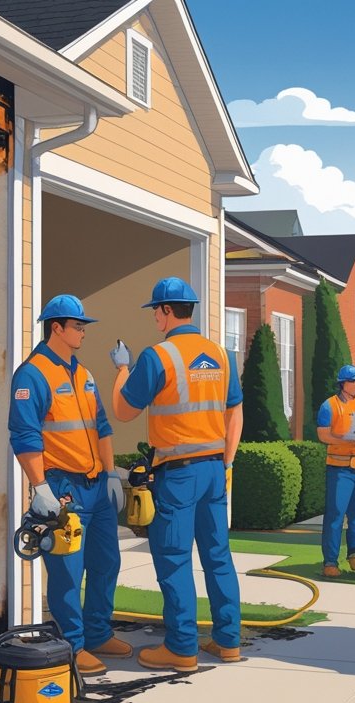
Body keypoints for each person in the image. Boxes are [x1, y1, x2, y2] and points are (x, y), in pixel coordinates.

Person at [110, 277, 244, 672]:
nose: (155, 316)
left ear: (168, 311)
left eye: (156, 309)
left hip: (178, 474)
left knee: (173, 558)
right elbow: (234, 411)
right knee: (218, 556)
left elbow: (123, 410)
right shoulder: (221, 354)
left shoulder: (158, 357)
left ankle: (182, 648)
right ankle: (227, 641)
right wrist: (228, 462)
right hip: (215, 470)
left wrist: (121, 368)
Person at [8, 294, 127, 676]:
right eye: (77, 326)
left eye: (83, 326)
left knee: (107, 562)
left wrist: (110, 473)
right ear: (55, 327)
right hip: (63, 489)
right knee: (66, 572)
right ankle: (73, 645)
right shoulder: (32, 375)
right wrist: (40, 488)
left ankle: (97, 632)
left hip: (95, 487)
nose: (82, 332)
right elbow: (25, 436)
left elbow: (102, 428)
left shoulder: (84, 373)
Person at [316, 365, 355, 577]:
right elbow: (323, 435)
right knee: (335, 515)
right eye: (354, 381)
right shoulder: (329, 406)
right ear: (344, 383)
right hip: (339, 470)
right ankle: (330, 561)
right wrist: (344, 439)